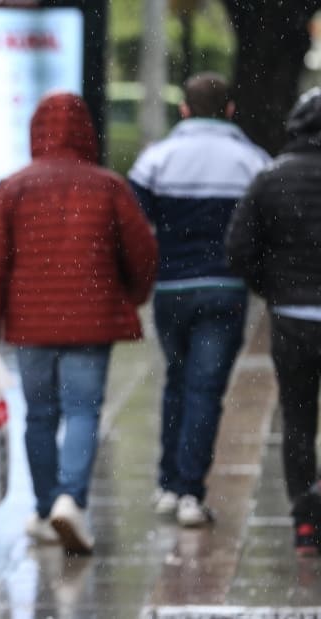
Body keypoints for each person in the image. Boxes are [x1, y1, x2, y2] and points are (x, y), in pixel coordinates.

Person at [0, 91, 158, 555]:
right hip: (91, 323)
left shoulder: (12, 187)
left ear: (36, 132)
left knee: (39, 415)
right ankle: (71, 499)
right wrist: (131, 295)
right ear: (86, 132)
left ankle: (42, 507)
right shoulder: (109, 186)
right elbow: (143, 252)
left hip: (30, 326)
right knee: (82, 411)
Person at [128, 72, 271, 527]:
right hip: (226, 290)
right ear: (230, 109)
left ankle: (167, 484)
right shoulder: (254, 162)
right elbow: (267, 226)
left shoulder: (157, 158)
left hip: (170, 292)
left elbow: (134, 224)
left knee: (177, 380)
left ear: (184, 110)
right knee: (206, 391)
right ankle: (191, 490)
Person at [226, 87, 321, 556]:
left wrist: (274, 288)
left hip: (292, 317)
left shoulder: (270, 178)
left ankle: (305, 521)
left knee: (298, 420)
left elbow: (239, 249)